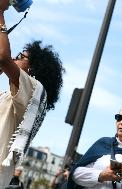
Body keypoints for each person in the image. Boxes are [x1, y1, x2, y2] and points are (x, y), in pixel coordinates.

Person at [0, 1, 64, 187]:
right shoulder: (9, 96)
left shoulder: (34, 91)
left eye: (20, 57)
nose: (14, 58)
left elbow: (3, 57)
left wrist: (1, 10)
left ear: (33, 70)